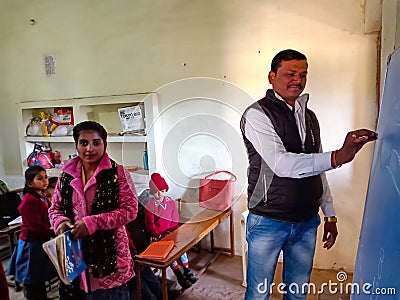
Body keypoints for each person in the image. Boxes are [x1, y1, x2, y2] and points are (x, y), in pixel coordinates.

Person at [240, 49, 378, 300]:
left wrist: (330, 214)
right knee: (258, 294)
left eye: (303, 74)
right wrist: (337, 157)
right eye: (290, 74)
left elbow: (315, 167)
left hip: (306, 222)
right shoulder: (256, 115)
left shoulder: (309, 117)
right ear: (271, 76)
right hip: (268, 221)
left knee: (298, 292)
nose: (298, 80)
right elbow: (282, 164)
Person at [48, 121, 138, 299]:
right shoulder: (66, 176)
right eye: (83, 143)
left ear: (105, 144)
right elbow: (54, 209)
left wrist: (92, 223)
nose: (90, 148)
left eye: (96, 142)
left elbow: (130, 210)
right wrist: (61, 223)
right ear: (76, 145)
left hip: (110, 263)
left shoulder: (118, 173)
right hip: (73, 261)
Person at [7, 165, 56, 300]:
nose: (45, 181)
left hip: (39, 241)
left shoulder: (41, 197)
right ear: (30, 183)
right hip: (31, 245)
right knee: (32, 279)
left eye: (45, 177)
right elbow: (36, 227)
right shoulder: (29, 201)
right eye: (39, 178)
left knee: (39, 277)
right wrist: (52, 231)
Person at [144, 173, 198, 291]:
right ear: (153, 192)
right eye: (157, 192)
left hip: (172, 233)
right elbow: (150, 225)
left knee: (181, 249)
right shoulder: (150, 205)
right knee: (170, 253)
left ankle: (187, 270)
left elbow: (175, 218)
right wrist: (159, 234)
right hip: (159, 236)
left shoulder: (170, 202)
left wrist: (172, 231)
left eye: (162, 191)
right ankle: (179, 275)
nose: (160, 194)